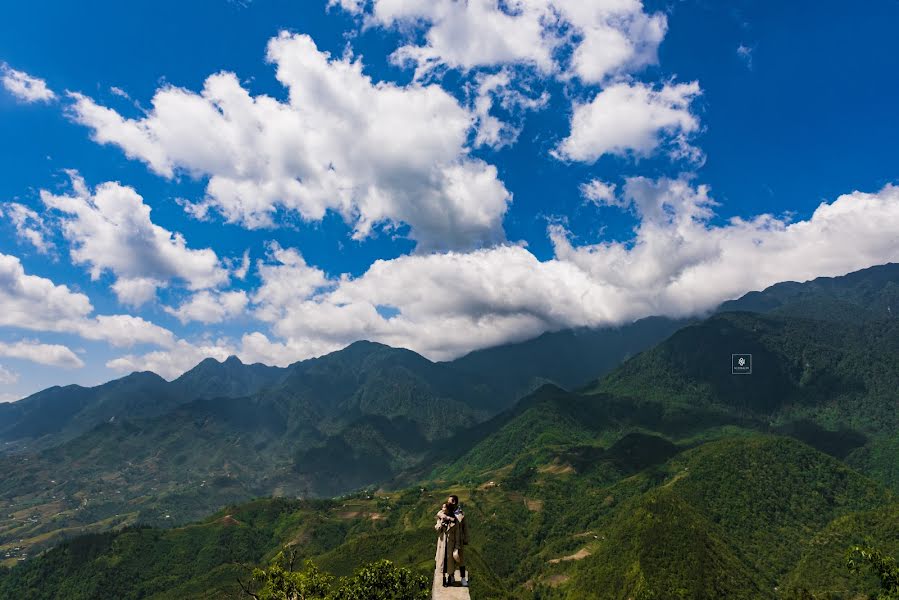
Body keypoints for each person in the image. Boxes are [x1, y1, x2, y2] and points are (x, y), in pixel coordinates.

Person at [434, 502, 463, 586]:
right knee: (442, 563)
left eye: (444, 508)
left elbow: (457, 534)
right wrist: (441, 523)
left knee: (450, 563)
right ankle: (444, 579)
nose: (442, 509)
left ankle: (450, 578)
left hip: (451, 544)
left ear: (448, 509)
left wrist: (457, 546)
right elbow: (437, 529)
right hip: (442, 545)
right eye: (442, 508)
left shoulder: (455, 520)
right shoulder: (440, 518)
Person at [448, 495, 469, 587]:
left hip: (459, 540)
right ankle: (451, 577)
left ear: (454, 502)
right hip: (450, 540)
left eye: (450, 501)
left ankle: (463, 578)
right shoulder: (447, 512)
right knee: (450, 560)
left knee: (461, 560)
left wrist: (466, 539)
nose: (448, 503)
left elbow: (465, 527)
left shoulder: (460, 513)